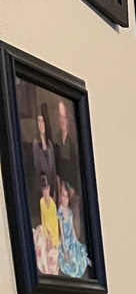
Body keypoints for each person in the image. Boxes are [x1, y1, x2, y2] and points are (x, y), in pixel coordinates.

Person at [54, 99, 82, 240]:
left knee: (74, 212)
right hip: (63, 186)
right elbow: (58, 166)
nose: (62, 120)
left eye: (64, 117)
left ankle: (76, 240)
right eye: (60, 117)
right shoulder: (58, 138)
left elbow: (76, 167)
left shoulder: (73, 141)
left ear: (68, 119)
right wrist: (61, 187)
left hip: (74, 187)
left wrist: (73, 189)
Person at [56, 180, 89, 279]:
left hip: (71, 238)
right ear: (60, 198)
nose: (65, 199)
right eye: (63, 197)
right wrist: (65, 252)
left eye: (66, 197)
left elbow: (72, 229)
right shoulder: (60, 212)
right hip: (65, 240)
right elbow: (62, 232)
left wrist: (76, 241)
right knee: (70, 259)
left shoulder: (70, 211)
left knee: (79, 251)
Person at [34, 175, 60, 276]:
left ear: (49, 189)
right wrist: (46, 234)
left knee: (51, 252)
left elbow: (54, 224)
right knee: (40, 242)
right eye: (43, 190)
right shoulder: (41, 201)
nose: (45, 192)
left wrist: (52, 239)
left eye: (47, 189)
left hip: (53, 232)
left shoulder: (52, 205)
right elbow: (44, 219)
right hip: (45, 229)